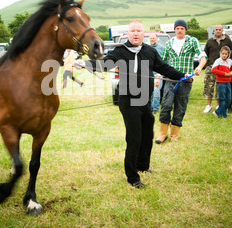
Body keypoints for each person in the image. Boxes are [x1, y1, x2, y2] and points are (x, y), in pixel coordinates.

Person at [74, 20, 191, 189]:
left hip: (145, 99)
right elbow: (106, 63)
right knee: (134, 137)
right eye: (132, 31)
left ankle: (142, 166)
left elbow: (164, 68)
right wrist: (85, 64)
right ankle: (132, 176)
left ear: (143, 34)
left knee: (147, 134)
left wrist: (182, 75)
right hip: (128, 100)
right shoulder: (120, 52)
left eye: (139, 31)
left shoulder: (150, 52)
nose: (136, 34)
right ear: (128, 34)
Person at [156, 19, 207, 144]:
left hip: (186, 80)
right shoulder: (169, 43)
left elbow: (203, 56)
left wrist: (199, 67)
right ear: (174, 30)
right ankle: (162, 134)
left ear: (185, 30)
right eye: (177, 28)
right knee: (166, 105)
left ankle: (174, 134)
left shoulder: (192, 41)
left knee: (180, 106)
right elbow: (162, 62)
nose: (179, 30)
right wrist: (157, 76)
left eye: (182, 28)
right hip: (170, 79)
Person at [203, 25, 232, 113]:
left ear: (222, 30)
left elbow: (231, 52)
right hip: (211, 66)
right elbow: (205, 54)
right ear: (214, 31)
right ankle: (208, 105)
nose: (218, 31)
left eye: (220, 29)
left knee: (219, 87)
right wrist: (207, 65)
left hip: (223, 68)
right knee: (209, 86)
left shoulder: (227, 41)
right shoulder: (210, 41)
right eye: (217, 30)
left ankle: (218, 105)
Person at [211, 46, 232, 118]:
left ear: (228, 54)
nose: (224, 55)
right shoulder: (218, 61)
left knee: (228, 99)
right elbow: (213, 70)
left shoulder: (230, 61)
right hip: (221, 82)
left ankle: (217, 112)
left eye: (226, 54)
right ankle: (223, 114)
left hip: (228, 82)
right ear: (220, 53)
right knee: (222, 98)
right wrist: (223, 73)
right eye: (223, 54)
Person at [149, 33, 164, 113]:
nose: (152, 39)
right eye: (151, 38)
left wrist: (161, 73)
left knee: (156, 90)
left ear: (157, 39)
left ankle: (155, 108)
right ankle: (149, 108)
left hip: (158, 74)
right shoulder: (145, 48)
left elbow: (165, 61)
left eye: (154, 38)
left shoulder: (161, 48)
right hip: (148, 74)